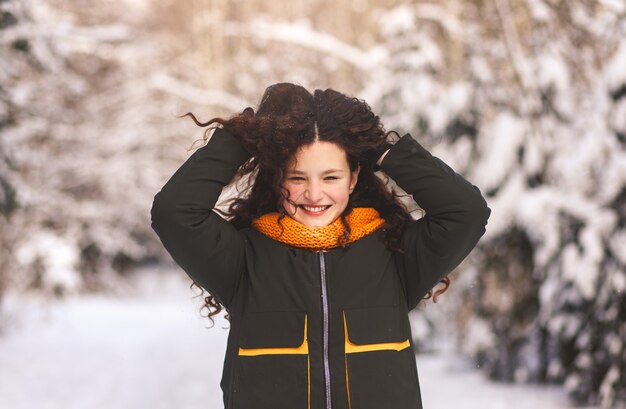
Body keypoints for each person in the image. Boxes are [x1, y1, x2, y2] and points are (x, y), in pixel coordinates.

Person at [150, 83, 491, 409]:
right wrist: (248, 137)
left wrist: (382, 150)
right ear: (276, 178)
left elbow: (466, 211)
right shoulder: (242, 261)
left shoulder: (395, 255)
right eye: (297, 178)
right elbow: (174, 212)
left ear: (354, 177)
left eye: (331, 177)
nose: (314, 195)